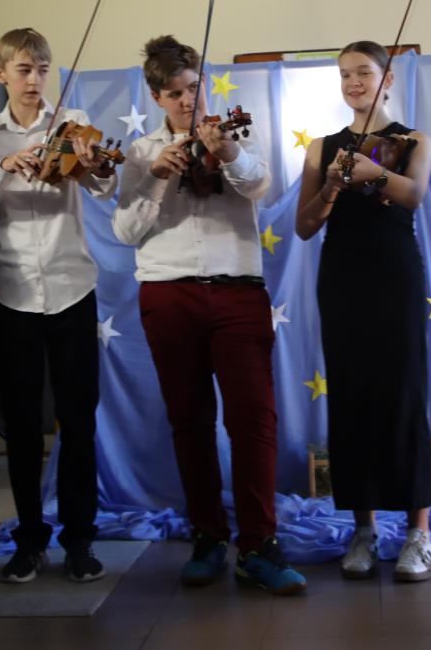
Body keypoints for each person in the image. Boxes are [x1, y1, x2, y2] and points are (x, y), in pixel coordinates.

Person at [111, 35, 305, 596]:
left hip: (238, 288)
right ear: (156, 97)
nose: (188, 100)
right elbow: (125, 232)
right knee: (189, 419)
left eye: (194, 87)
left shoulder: (234, 134)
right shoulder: (140, 152)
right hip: (168, 293)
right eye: (174, 93)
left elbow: (260, 186)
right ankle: (208, 535)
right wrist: (156, 176)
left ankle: (259, 545)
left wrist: (227, 154)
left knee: (253, 418)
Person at [0, 28, 114, 584]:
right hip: (13, 292)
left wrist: (96, 166)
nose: (34, 80)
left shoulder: (71, 123)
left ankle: (80, 539)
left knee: (78, 420)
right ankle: (29, 539)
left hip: (72, 287)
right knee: (22, 425)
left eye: (42, 69)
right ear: (0, 73)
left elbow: (103, 187)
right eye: (24, 69)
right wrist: (4, 169)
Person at [295, 41, 431, 581]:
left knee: (405, 392)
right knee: (351, 395)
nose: (353, 82)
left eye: (364, 72)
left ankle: (419, 533)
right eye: (345, 74)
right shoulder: (322, 148)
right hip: (342, 276)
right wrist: (332, 185)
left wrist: (370, 173)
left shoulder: (413, 139)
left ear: (388, 78)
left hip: (395, 273)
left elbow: (413, 194)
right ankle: (363, 530)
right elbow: (305, 225)